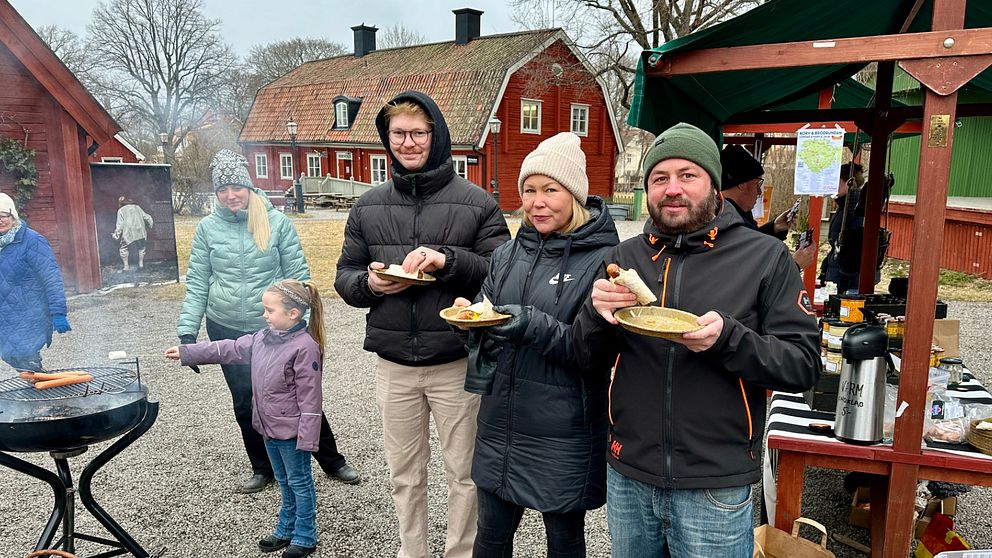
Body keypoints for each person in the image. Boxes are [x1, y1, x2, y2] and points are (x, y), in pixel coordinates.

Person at [571, 123, 821, 557]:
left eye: (688, 175)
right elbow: (584, 357)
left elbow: (801, 364)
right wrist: (597, 316)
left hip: (714, 484)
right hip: (630, 474)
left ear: (713, 184)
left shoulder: (764, 257)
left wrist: (727, 340)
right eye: (659, 178)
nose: (673, 189)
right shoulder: (623, 258)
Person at [334, 90, 509, 558]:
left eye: (418, 133)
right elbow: (344, 276)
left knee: (465, 472)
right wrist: (371, 286)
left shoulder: (477, 202)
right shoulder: (367, 206)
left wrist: (445, 260)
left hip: (456, 360)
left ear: (437, 135)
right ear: (386, 139)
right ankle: (411, 552)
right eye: (399, 134)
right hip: (394, 365)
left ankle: (459, 554)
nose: (408, 143)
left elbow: (502, 271)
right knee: (404, 474)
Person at [454, 132, 618, 557]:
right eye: (529, 189)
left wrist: (528, 324)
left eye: (551, 189)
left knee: (563, 542)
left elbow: (593, 352)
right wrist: (468, 321)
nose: (537, 201)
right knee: (489, 540)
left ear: (575, 195)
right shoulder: (507, 254)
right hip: (499, 424)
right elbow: (485, 311)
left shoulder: (605, 260)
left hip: (563, 430)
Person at [178, 149, 359, 494]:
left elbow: (298, 274)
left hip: (274, 326)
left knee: (297, 395)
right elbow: (198, 281)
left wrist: (297, 321)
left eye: (237, 187)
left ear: (249, 186)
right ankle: (263, 468)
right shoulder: (207, 228)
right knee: (246, 400)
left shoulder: (276, 222)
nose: (231, 195)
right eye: (222, 189)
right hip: (227, 323)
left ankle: (332, 461)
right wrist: (188, 331)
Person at [167, 279, 325, 558]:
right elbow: (226, 348)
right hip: (267, 428)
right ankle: (285, 530)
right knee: (284, 481)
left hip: (291, 434)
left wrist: (308, 439)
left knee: (299, 482)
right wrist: (188, 351)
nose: (264, 315)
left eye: (270, 310)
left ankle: (305, 535)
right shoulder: (261, 338)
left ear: (293, 314)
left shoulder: (305, 347)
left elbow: (312, 400)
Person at [0, 192, 71, 371]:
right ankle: (39, 388)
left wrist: (58, 312)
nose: (0, 220)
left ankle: (44, 391)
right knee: (12, 357)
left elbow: (51, 277)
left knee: (26, 360)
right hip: (5, 316)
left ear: (13, 216)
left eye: (3, 216)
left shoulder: (32, 241)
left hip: (30, 314)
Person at [720, 145, 816, 269]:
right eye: (757, 184)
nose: (759, 192)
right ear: (742, 184)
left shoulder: (733, 213)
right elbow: (750, 271)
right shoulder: (725, 221)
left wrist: (774, 227)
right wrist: (794, 265)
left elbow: (751, 242)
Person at [112, 196, 153, 271]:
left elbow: (120, 225)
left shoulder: (121, 210)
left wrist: (116, 234)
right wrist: (150, 225)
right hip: (140, 231)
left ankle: (126, 267)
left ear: (121, 203)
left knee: (123, 248)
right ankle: (141, 265)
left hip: (128, 231)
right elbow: (146, 217)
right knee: (141, 248)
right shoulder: (137, 207)